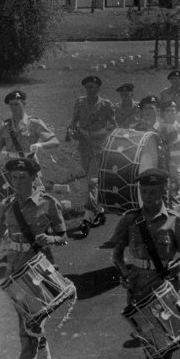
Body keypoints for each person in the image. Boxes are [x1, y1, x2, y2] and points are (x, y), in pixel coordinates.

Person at [111, 168, 180, 359]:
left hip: (166, 284)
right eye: (143, 191)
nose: (147, 196)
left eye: (152, 192)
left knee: (170, 336)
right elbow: (116, 254)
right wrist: (124, 272)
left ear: (162, 192)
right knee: (148, 334)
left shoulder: (176, 221)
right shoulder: (130, 219)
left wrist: (179, 265)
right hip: (138, 285)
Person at [0, 157, 67, 359]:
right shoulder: (7, 205)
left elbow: (63, 237)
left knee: (29, 320)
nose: (17, 182)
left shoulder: (48, 202)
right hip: (15, 270)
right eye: (13, 178)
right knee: (29, 318)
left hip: (39, 268)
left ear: (33, 177)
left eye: (22, 178)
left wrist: (50, 239)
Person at [68, 75, 116, 238]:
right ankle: (100, 211)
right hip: (84, 145)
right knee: (91, 178)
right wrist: (73, 131)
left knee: (92, 181)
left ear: (99, 89)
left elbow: (113, 125)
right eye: (88, 87)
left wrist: (105, 135)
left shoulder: (106, 104)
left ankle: (87, 218)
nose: (91, 90)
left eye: (94, 87)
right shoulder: (80, 102)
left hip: (99, 145)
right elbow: (74, 121)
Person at [0, 90, 59, 161]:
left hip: (30, 166)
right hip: (11, 166)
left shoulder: (34, 123)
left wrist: (40, 145)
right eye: (11, 104)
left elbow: (55, 142)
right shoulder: (5, 125)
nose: (13, 107)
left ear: (24, 104)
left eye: (17, 104)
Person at [160, 100, 180, 208]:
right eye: (167, 111)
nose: (170, 113)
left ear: (176, 112)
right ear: (163, 113)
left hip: (177, 165)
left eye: (173, 111)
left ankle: (173, 220)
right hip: (161, 165)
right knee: (161, 195)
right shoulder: (158, 128)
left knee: (174, 194)